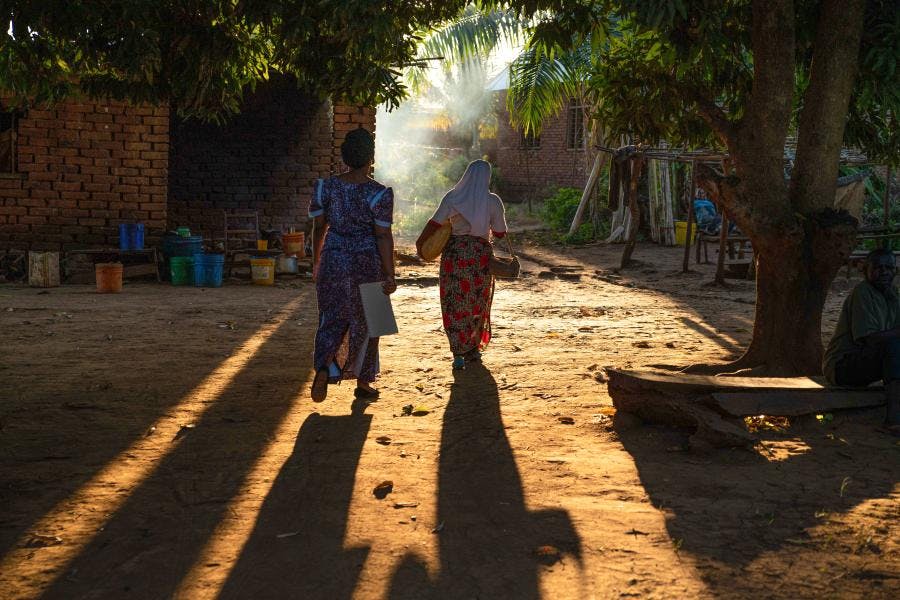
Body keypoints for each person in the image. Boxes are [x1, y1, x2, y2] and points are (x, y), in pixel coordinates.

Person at [309, 127, 396, 402]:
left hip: (333, 259)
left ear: (344, 158)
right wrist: (390, 273)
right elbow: (382, 235)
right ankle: (364, 382)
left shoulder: (326, 187)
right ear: (370, 158)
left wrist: (316, 262)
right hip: (367, 261)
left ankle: (324, 367)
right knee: (374, 319)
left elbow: (318, 228)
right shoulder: (379, 194)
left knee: (332, 317)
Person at [416, 159, 508, 370]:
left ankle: (457, 351)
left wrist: (421, 245)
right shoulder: (493, 201)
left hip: (454, 256)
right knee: (476, 301)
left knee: (453, 301)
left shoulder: (452, 197)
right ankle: (473, 348)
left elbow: (434, 223)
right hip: (479, 257)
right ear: (487, 177)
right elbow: (501, 233)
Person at [823, 248, 900, 430]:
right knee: (893, 346)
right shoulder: (863, 292)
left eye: (889, 268)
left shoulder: (893, 295)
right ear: (866, 270)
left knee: (894, 346)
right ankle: (894, 419)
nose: (884, 272)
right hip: (842, 366)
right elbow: (869, 340)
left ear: (895, 271)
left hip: (872, 359)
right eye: (878, 268)